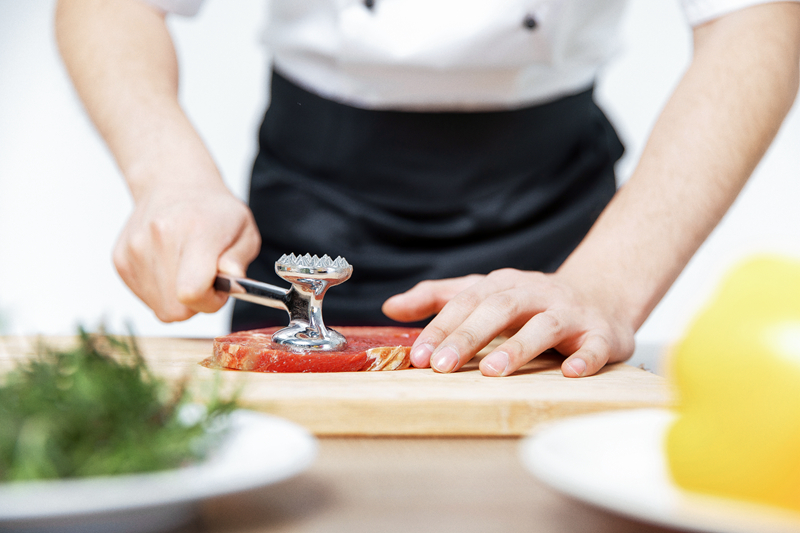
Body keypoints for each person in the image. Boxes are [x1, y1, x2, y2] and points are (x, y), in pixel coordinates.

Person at [56, 0, 800, 378]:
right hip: (313, 194)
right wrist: (168, 175)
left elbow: (755, 20)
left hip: (562, 224)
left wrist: (606, 284)